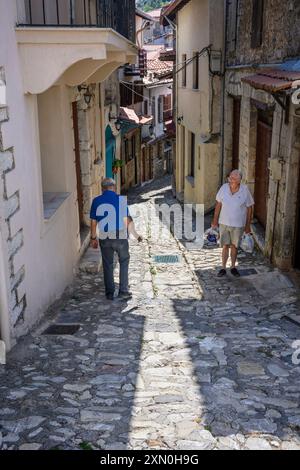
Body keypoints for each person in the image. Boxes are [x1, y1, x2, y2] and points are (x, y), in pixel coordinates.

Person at [90, 178, 142, 300]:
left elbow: (93, 222)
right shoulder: (121, 200)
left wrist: (93, 238)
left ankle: (109, 293)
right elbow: (127, 220)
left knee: (107, 264)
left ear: (102, 189)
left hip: (105, 236)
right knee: (124, 261)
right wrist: (136, 234)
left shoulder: (96, 201)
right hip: (120, 236)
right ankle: (123, 291)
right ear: (114, 187)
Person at [212, 170, 254, 278]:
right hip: (224, 223)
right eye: (230, 177)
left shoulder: (244, 190)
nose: (231, 179)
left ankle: (233, 267)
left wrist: (248, 225)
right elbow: (218, 205)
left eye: (234, 178)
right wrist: (215, 221)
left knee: (235, 246)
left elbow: (249, 208)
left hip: (238, 224)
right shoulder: (224, 188)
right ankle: (223, 268)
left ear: (239, 180)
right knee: (225, 246)